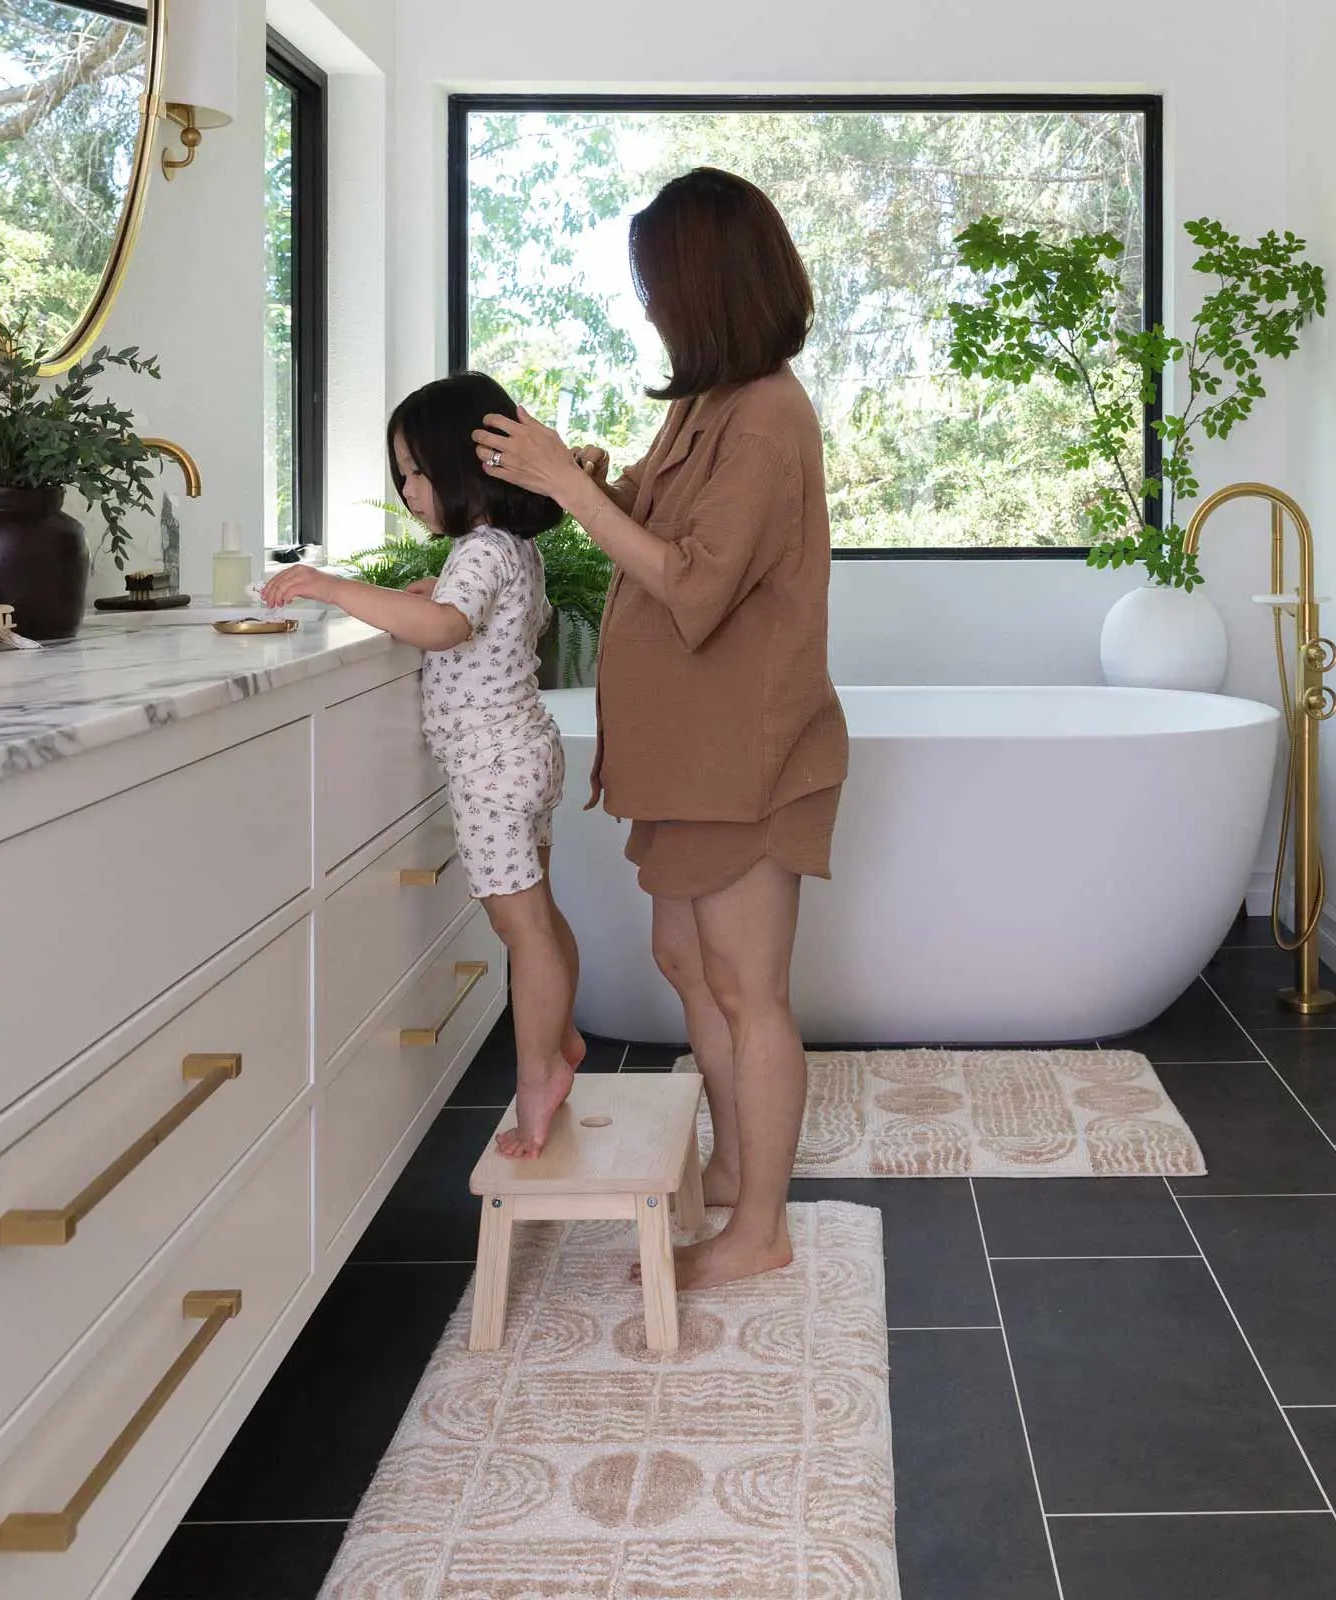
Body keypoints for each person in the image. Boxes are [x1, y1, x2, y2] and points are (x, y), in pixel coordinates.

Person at [471, 168, 848, 1289]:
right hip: (688, 754)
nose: (644, 304)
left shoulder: (770, 415)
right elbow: (652, 516)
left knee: (746, 987)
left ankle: (758, 1229)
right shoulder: (704, 403)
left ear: (701, 286)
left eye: (651, 283)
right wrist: (594, 480)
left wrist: (570, 492)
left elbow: (694, 587)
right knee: (688, 960)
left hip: (746, 755)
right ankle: (738, 1168)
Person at [262, 373, 583, 1158]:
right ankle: (564, 1042)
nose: (405, 489)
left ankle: (538, 1072)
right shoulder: (513, 548)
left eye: (413, 471)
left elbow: (445, 628)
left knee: (524, 932)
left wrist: (339, 588)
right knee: (541, 919)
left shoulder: (480, 550)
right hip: (527, 750)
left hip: (488, 769)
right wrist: (423, 591)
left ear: (462, 467)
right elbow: (482, 616)